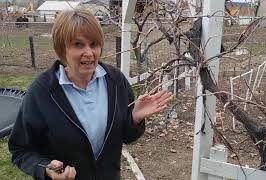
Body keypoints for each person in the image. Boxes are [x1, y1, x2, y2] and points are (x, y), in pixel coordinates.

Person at [8, 9, 172, 180]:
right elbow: (21, 149)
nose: (89, 52)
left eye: (94, 44)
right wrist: (46, 169)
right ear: (62, 48)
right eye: (78, 44)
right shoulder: (42, 91)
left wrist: (134, 119)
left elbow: (127, 137)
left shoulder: (115, 81)